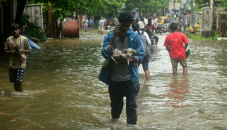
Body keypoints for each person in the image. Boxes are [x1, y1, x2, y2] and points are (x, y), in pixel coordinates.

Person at [101, 12, 144, 126]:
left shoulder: (134, 37)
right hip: (114, 81)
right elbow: (105, 54)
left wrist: (129, 60)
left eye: (127, 26)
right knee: (115, 112)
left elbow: (141, 54)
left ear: (130, 25)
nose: (125, 28)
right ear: (118, 23)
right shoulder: (110, 35)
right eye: (123, 25)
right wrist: (114, 38)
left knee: (132, 108)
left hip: (131, 80)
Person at [4, 23, 31, 92]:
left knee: (19, 81)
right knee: (14, 82)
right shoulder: (9, 39)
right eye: (13, 30)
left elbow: (29, 50)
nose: (15, 31)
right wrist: (12, 52)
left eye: (16, 29)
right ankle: (17, 94)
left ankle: (20, 97)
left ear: (19, 30)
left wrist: (22, 51)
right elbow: (5, 50)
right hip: (12, 63)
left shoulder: (24, 39)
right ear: (11, 31)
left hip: (21, 63)